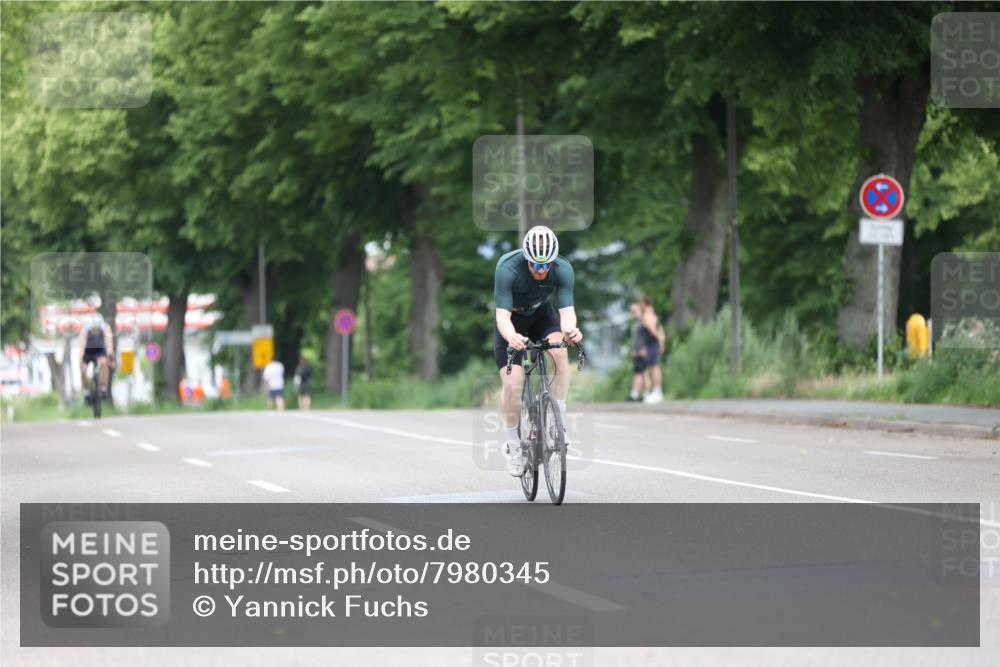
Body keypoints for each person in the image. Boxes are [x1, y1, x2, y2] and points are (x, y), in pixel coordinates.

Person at [494, 225, 582, 477]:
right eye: (535, 265)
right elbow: (502, 317)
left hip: (542, 314)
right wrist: (512, 337)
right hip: (512, 319)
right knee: (513, 385)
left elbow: (567, 313)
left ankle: (558, 423)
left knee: (560, 352)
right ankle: (514, 445)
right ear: (526, 259)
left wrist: (571, 331)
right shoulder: (508, 268)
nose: (541, 270)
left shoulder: (563, 269)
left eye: (546, 265)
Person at [78, 314, 114, 398]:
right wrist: (81, 360)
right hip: (88, 350)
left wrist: (111, 358)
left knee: (103, 363)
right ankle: (86, 391)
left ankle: (103, 387)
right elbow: (82, 346)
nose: (96, 331)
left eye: (98, 329)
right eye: (94, 329)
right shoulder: (85, 329)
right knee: (83, 370)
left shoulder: (106, 328)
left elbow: (109, 344)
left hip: (100, 349)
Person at [639, 297, 664, 403]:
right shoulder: (654, 315)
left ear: (645, 304)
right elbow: (661, 330)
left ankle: (657, 392)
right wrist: (661, 342)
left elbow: (653, 330)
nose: (640, 306)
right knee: (654, 367)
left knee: (654, 368)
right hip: (653, 344)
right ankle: (657, 391)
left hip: (652, 344)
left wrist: (658, 342)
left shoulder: (647, 316)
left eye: (641, 304)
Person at [627, 302, 650, 401]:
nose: (633, 313)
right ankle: (645, 395)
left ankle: (635, 395)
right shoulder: (636, 323)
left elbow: (649, 335)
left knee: (640, 373)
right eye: (632, 311)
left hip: (643, 352)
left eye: (635, 311)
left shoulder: (644, 322)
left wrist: (645, 348)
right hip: (638, 352)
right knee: (643, 373)